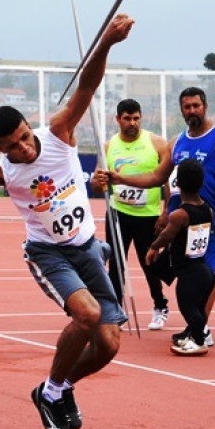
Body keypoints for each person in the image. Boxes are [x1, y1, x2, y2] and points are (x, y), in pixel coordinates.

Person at [0, 14, 134, 429]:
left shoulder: (57, 133)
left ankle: (59, 389)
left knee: (108, 344)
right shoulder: (6, 167)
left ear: (28, 127)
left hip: (88, 247)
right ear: (0, 147)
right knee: (87, 315)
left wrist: (105, 42)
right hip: (49, 254)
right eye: (12, 145)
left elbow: (87, 86)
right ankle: (51, 392)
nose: (23, 148)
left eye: (23, 137)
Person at [95, 86, 215, 347]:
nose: (192, 110)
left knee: (205, 274)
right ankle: (178, 315)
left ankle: (201, 329)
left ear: (205, 106)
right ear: (182, 110)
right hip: (179, 222)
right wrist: (121, 178)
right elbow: (156, 178)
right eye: (187, 106)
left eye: (196, 105)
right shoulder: (177, 142)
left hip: (206, 223)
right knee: (169, 269)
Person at [92, 98, 171, 330]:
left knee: (150, 264)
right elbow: (97, 186)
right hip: (118, 214)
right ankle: (116, 310)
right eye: (127, 118)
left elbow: (166, 180)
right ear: (118, 120)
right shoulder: (107, 147)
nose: (132, 123)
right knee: (116, 264)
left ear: (141, 118)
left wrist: (165, 211)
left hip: (148, 215)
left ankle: (160, 306)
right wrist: (98, 182)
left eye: (136, 118)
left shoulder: (156, 143)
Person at [144, 158, 215, 355]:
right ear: (201, 183)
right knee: (198, 308)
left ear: (178, 183)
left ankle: (199, 341)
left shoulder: (179, 215)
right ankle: (191, 335)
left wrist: (153, 247)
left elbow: (167, 236)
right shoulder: (208, 209)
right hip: (204, 270)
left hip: (189, 274)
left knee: (188, 308)